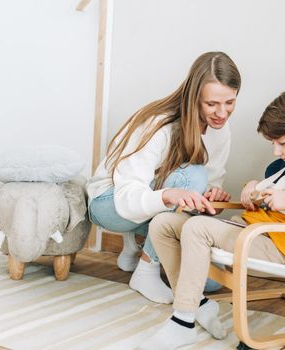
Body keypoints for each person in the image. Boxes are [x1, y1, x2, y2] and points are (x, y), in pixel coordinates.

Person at [141, 89, 285, 349]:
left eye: (282, 143)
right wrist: (252, 190)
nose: (276, 151)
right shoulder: (279, 168)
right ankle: (197, 304)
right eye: (273, 144)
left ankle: (183, 322)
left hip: (274, 244)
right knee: (163, 224)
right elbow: (265, 200)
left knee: (197, 227)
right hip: (246, 230)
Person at [86, 52, 241, 304]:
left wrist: (212, 193)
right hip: (109, 202)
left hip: (148, 206)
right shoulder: (159, 125)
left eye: (230, 103)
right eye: (212, 104)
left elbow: (211, 182)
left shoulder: (221, 133)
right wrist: (171, 195)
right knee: (193, 175)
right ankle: (145, 272)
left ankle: (136, 243)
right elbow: (127, 197)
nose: (222, 113)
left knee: (211, 282)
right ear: (194, 97)